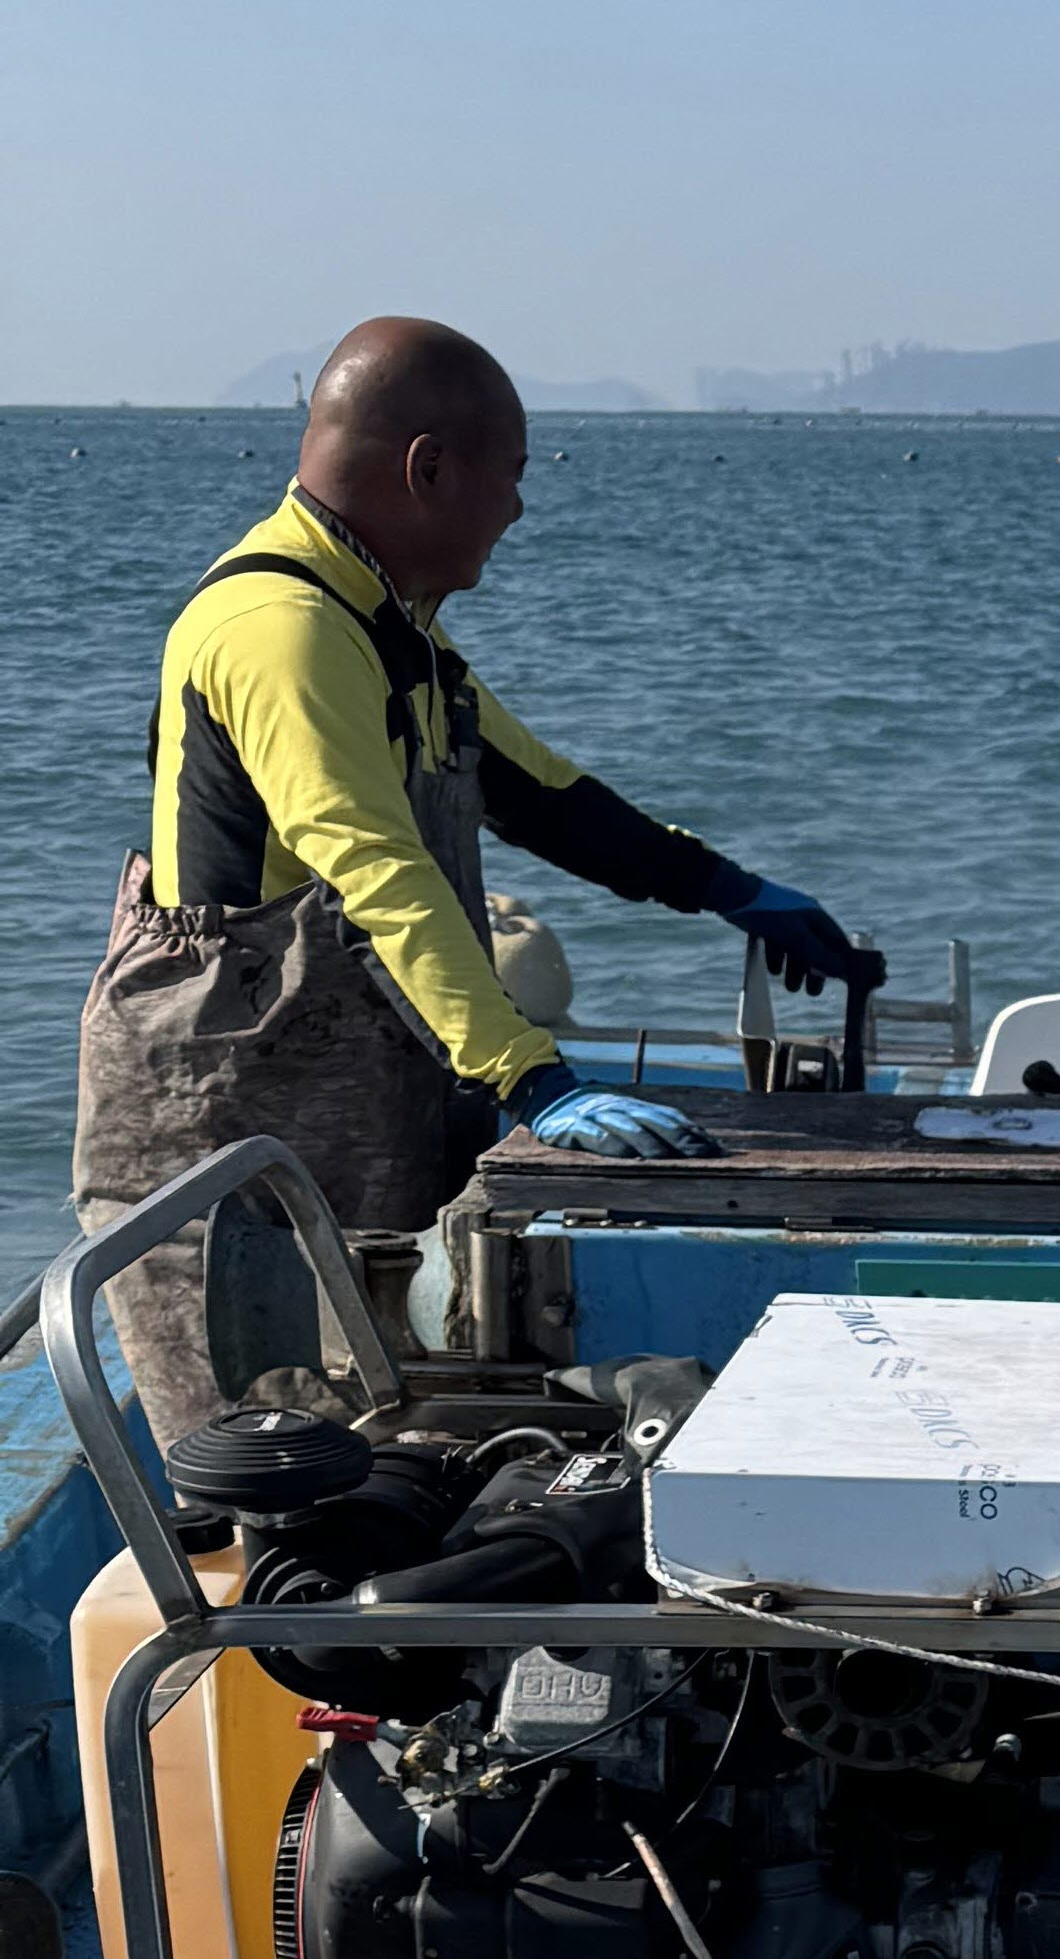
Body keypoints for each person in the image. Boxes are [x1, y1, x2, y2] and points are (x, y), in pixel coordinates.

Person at [72, 318, 877, 1429]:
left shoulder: (390, 632)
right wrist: (531, 1079)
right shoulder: (279, 628)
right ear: (429, 469)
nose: (517, 509)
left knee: (378, 1410)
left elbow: (543, 794)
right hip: (233, 1115)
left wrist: (730, 889)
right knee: (260, 1449)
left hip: (352, 1080)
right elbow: (374, 865)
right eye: (511, 476)